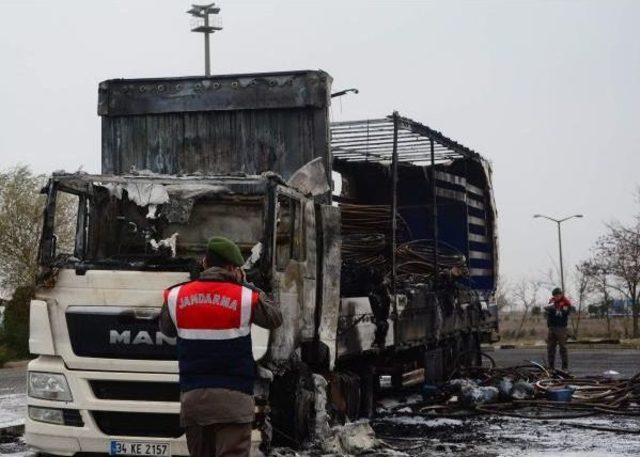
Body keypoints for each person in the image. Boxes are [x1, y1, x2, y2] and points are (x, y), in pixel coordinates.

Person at [159, 236, 282, 457]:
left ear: (205, 263)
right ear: (234, 268)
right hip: (233, 403)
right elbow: (275, 318)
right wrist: (248, 285)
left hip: (194, 401)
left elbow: (167, 330)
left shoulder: (176, 295)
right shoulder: (246, 296)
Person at [544, 287, 572, 371]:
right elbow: (548, 311)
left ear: (561, 294)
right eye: (555, 295)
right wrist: (549, 311)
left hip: (561, 328)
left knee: (563, 348)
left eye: (558, 295)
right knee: (550, 348)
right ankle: (551, 367)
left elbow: (565, 312)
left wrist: (555, 310)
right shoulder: (552, 302)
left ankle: (565, 367)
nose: (556, 296)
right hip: (552, 327)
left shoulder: (565, 303)